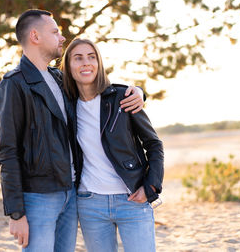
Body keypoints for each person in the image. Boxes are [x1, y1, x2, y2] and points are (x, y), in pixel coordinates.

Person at [0, 9, 144, 252]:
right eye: (55, 32)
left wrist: (137, 91)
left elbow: (98, 86)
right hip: (39, 197)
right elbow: (7, 152)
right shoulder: (14, 85)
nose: (62, 38)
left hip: (70, 193)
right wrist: (16, 213)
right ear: (35, 36)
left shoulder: (59, 79)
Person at [61, 38, 164, 252]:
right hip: (90, 203)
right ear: (68, 66)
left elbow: (153, 144)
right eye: (77, 58)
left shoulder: (122, 97)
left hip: (133, 199)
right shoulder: (66, 106)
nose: (85, 63)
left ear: (99, 63)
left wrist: (151, 187)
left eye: (91, 57)